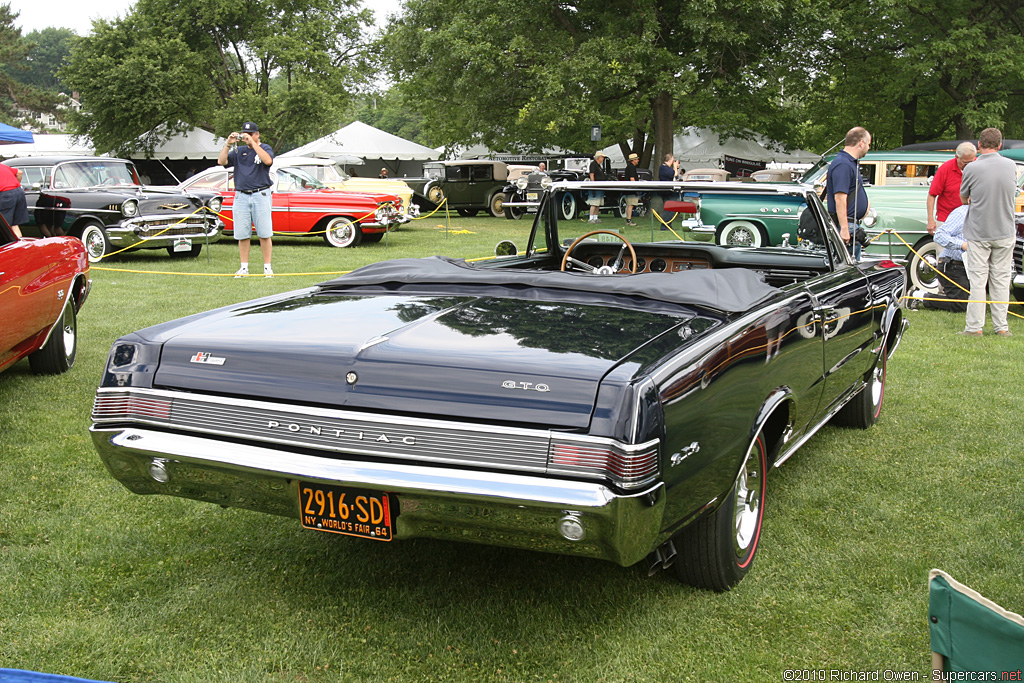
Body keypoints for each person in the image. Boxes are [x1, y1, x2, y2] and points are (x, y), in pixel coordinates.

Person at [958, 127, 1017, 337]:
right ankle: (1002, 327)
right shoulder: (1012, 167)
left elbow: (963, 198)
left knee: (978, 281)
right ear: (1000, 145)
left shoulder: (971, 169)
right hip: (1005, 230)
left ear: (979, 145)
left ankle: (974, 327)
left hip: (979, 231)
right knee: (1001, 280)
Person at [219, 121, 274, 277]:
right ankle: (244, 267)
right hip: (242, 195)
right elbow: (221, 161)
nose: (247, 137)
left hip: (260, 194)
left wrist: (253, 144)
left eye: (251, 134)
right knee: (243, 234)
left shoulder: (265, 148)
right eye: (245, 134)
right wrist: (228, 144)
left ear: (257, 135)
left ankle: (267, 267)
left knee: (264, 233)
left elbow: (268, 161)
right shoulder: (239, 151)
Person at [910, 204, 970, 312]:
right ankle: (919, 295)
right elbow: (939, 235)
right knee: (961, 305)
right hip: (953, 265)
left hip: (971, 266)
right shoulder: (962, 213)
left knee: (975, 302)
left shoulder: (987, 213)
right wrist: (962, 244)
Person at [826, 126, 872, 259]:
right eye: (868, 144)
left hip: (852, 224)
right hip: (847, 225)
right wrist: (845, 229)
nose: (868, 148)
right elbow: (840, 198)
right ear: (861, 143)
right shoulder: (843, 164)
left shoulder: (849, 163)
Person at [926, 142, 976, 234]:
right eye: (965, 162)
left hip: (971, 220)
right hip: (947, 219)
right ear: (957, 157)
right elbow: (932, 195)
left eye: (971, 162)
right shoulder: (945, 169)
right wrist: (930, 219)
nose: (969, 165)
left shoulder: (978, 167)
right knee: (944, 247)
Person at [0, 163, 28, 239]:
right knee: (14, 224)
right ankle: (19, 247)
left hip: (5, 194)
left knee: (4, 227)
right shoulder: (2, 166)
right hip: (19, 191)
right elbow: (19, 172)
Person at [587, 151, 610, 224]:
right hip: (595, 187)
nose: (603, 159)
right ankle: (591, 218)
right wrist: (593, 185)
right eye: (602, 157)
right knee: (594, 203)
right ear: (599, 157)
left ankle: (595, 217)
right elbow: (592, 175)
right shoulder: (593, 164)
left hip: (600, 187)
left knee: (598, 203)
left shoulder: (599, 165)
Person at [623, 152, 641, 226]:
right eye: (636, 159)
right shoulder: (631, 167)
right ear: (633, 160)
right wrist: (635, 186)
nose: (638, 160)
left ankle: (628, 219)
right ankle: (629, 220)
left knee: (629, 205)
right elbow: (632, 178)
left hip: (628, 188)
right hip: (631, 188)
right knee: (630, 205)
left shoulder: (629, 167)